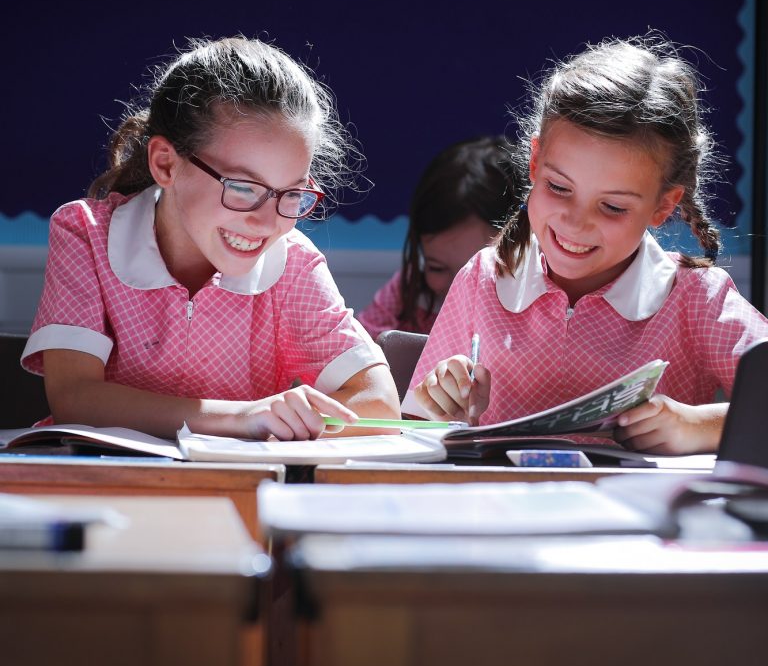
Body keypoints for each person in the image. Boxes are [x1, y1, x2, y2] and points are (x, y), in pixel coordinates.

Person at [22, 36, 399, 441]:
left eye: (291, 193)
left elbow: (379, 404)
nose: (265, 222)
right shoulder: (86, 234)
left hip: (232, 491)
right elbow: (75, 398)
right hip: (103, 486)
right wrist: (241, 418)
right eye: (241, 187)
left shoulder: (292, 263)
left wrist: (287, 427)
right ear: (165, 164)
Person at [403, 36, 768, 455]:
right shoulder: (484, 277)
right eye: (558, 187)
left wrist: (700, 424)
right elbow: (412, 429)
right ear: (535, 164)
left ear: (663, 206)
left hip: (641, 519)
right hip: (502, 515)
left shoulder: (695, 297)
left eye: (612, 207)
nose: (576, 222)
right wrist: (441, 405)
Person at [357, 136, 520, 340]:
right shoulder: (409, 292)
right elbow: (357, 348)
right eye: (437, 268)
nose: (458, 288)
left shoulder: (533, 307)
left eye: (480, 269)